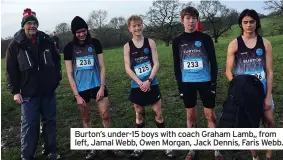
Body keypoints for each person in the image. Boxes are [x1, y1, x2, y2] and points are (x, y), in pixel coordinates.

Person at [63, 16, 124, 160]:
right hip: (81, 88)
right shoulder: (69, 48)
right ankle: (91, 148)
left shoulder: (95, 43)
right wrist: (76, 95)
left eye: (83, 31)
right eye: (78, 32)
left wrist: (102, 87)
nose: (82, 34)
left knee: (105, 115)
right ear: (74, 33)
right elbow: (69, 73)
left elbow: (102, 66)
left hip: (97, 85)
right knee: (86, 118)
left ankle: (111, 145)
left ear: (87, 30)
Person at [5, 8, 61, 160]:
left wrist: (57, 79)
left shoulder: (47, 40)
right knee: (30, 124)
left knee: (50, 121)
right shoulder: (15, 45)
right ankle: (27, 155)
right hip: (28, 93)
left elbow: (57, 60)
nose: (32, 26)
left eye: (34, 23)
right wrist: (15, 91)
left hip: (48, 90)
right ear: (23, 25)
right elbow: (10, 70)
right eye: (29, 23)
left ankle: (51, 150)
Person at [172, 7, 222, 160]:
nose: (191, 21)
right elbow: (176, 65)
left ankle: (216, 149)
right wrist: (180, 86)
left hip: (205, 82)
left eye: (194, 18)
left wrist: (213, 83)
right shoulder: (177, 41)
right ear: (182, 21)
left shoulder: (205, 39)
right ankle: (193, 148)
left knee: (210, 116)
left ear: (197, 20)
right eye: (187, 18)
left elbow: (213, 62)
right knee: (190, 116)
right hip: (187, 84)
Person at [225, 9, 275, 160]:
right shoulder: (234, 44)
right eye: (245, 22)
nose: (249, 25)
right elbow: (228, 71)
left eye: (252, 22)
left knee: (270, 123)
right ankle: (254, 156)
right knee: (250, 127)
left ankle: (268, 156)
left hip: (263, 90)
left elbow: (269, 71)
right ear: (241, 24)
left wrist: (267, 96)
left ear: (256, 23)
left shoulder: (265, 43)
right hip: (246, 93)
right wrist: (239, 88)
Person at [123, 15, 174, 158]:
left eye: (139, 25)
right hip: (136, 85)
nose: (137, 28)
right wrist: (140, 83)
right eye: (134, 26)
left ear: (142, 25)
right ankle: (140, 146)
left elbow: (156, 63)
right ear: (130, 28)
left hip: (152, 83)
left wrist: (149, 80)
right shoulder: (127, 46)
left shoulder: (150, 42)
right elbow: (127, 68)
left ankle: (165, 145)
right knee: (139, 114)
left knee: (158, 113)